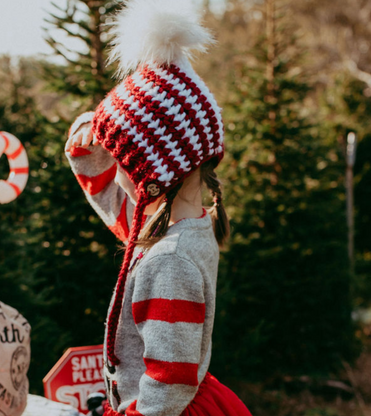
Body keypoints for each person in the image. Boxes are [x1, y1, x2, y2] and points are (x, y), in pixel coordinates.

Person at [65, 0, 253, 415]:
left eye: (120, 161)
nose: (114, 173)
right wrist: (87, 150)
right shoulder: (185, 226)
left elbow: (168, 387)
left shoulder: (169, 263)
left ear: (153, 174)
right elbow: (118, 209)